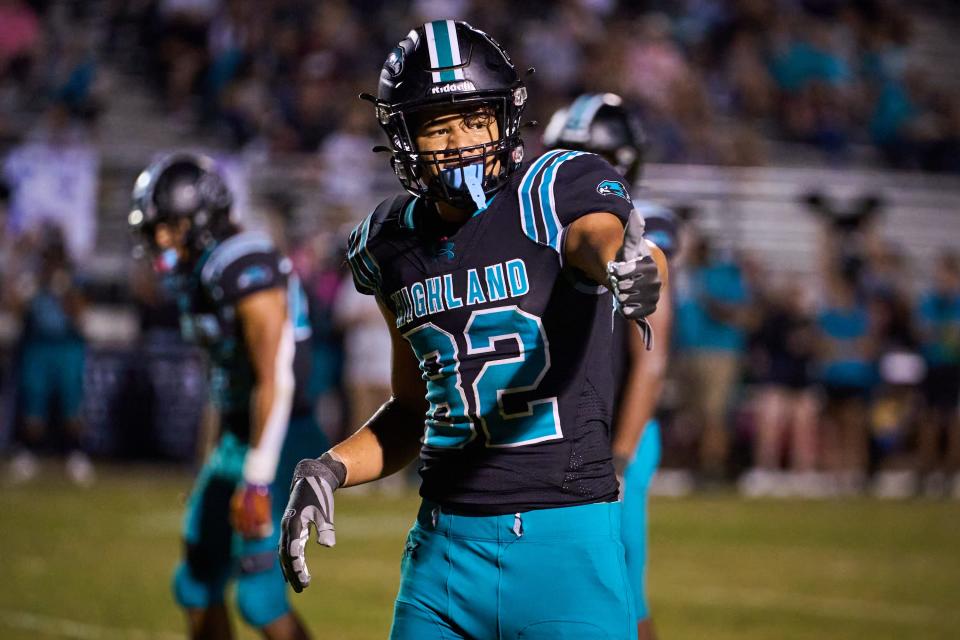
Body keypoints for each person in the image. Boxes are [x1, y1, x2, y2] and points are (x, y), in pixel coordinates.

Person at [279, 21, 663, 640]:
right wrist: (327, 467)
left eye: (475, 118)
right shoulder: (390, 243)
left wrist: (631, 267)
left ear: (503, 118)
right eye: (437, 124)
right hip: (443, 557)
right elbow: (411, 409)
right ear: (404, 136)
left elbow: (604, 238)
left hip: (565, 544)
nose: (460, 141)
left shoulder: (551, 186)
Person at [129, 152, 327, 640]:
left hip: (279, 437)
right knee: (197, 581)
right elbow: (224, 379)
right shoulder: (200, 272)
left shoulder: (243, 261)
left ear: (201, 219)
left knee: (259, 599)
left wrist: (258, 478)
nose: (160, 239)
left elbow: (274, 377)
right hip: (238, 436)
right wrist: (210, 457)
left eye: (170, 225)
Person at [543, 92, 678, 640]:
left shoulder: (644, 227)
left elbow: (650, 354)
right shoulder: (541, 226)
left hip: (614, 432)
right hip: (560, 428)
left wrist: (618, 459)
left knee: (620, 592)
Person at [6, 225, 93, 486]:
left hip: (67, 345)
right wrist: (27, 291)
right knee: (34, 402)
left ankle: (75, 453)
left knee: (71, 402)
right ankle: (29, 451)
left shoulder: (72, 279)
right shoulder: (32, 280)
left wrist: (65, 292)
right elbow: (16, 312)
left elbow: (81, 316)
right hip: (38, 345)